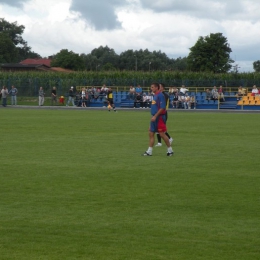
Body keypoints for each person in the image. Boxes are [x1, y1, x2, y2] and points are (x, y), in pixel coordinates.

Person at [142, 82, 174, 156]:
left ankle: (170, 150)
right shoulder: (155, 95)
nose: (151, 88)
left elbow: (163, 107)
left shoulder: (160, 95)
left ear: (157, 87)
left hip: (159, 117)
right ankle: (149, 151)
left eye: (152, 87)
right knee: (151, 133)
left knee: (162, 134)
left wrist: (155, 116)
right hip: (154, 117)